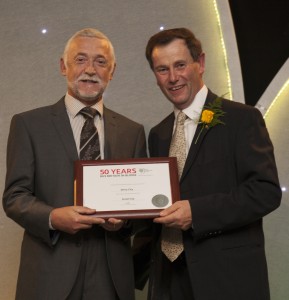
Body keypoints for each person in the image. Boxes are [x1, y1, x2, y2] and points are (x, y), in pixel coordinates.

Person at [137, 27, 282, 300]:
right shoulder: (158, 133)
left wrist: (197, 212)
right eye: (162, 69)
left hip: (226, 279)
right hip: (168, 280)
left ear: (200, 63)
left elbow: (265, 192)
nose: (173, 77)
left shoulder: (241, 119)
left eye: (180, 65)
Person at [2, 28, 147, 300]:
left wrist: (124, 222)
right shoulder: (28, 125)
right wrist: (53, 218)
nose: (90, 69)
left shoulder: (132, 131)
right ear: (63, 66)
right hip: (49, 273)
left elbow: (140, 209)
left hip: (110, 276)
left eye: (100, 62)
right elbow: (14, 197)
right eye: (80, 59)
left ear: (112, 70)